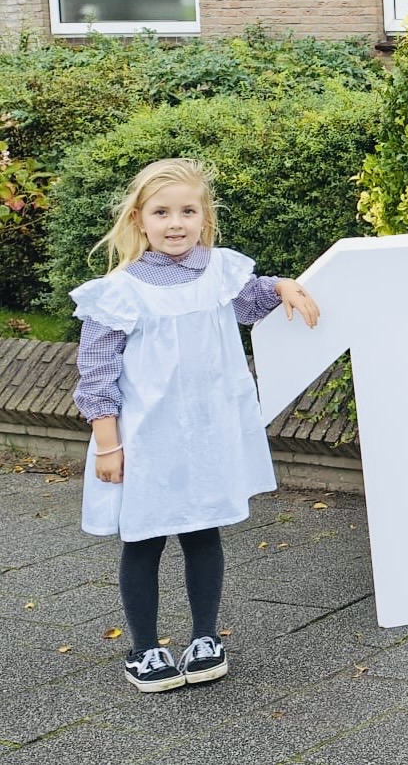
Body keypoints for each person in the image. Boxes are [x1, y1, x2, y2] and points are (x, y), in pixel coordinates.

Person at [70, 158, 321, 692]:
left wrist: (283, 285)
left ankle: (206, 637)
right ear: (140, 219)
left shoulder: (220, 272)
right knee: (143, 539)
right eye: (162, 212)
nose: (176, 223)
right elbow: (97, 373)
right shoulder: (118, 292)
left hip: (206, 435)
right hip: (147, 440)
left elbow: (251, 301)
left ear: (204, 217)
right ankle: (144, 649)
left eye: (188, 211)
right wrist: (108, 445)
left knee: (202, 530)